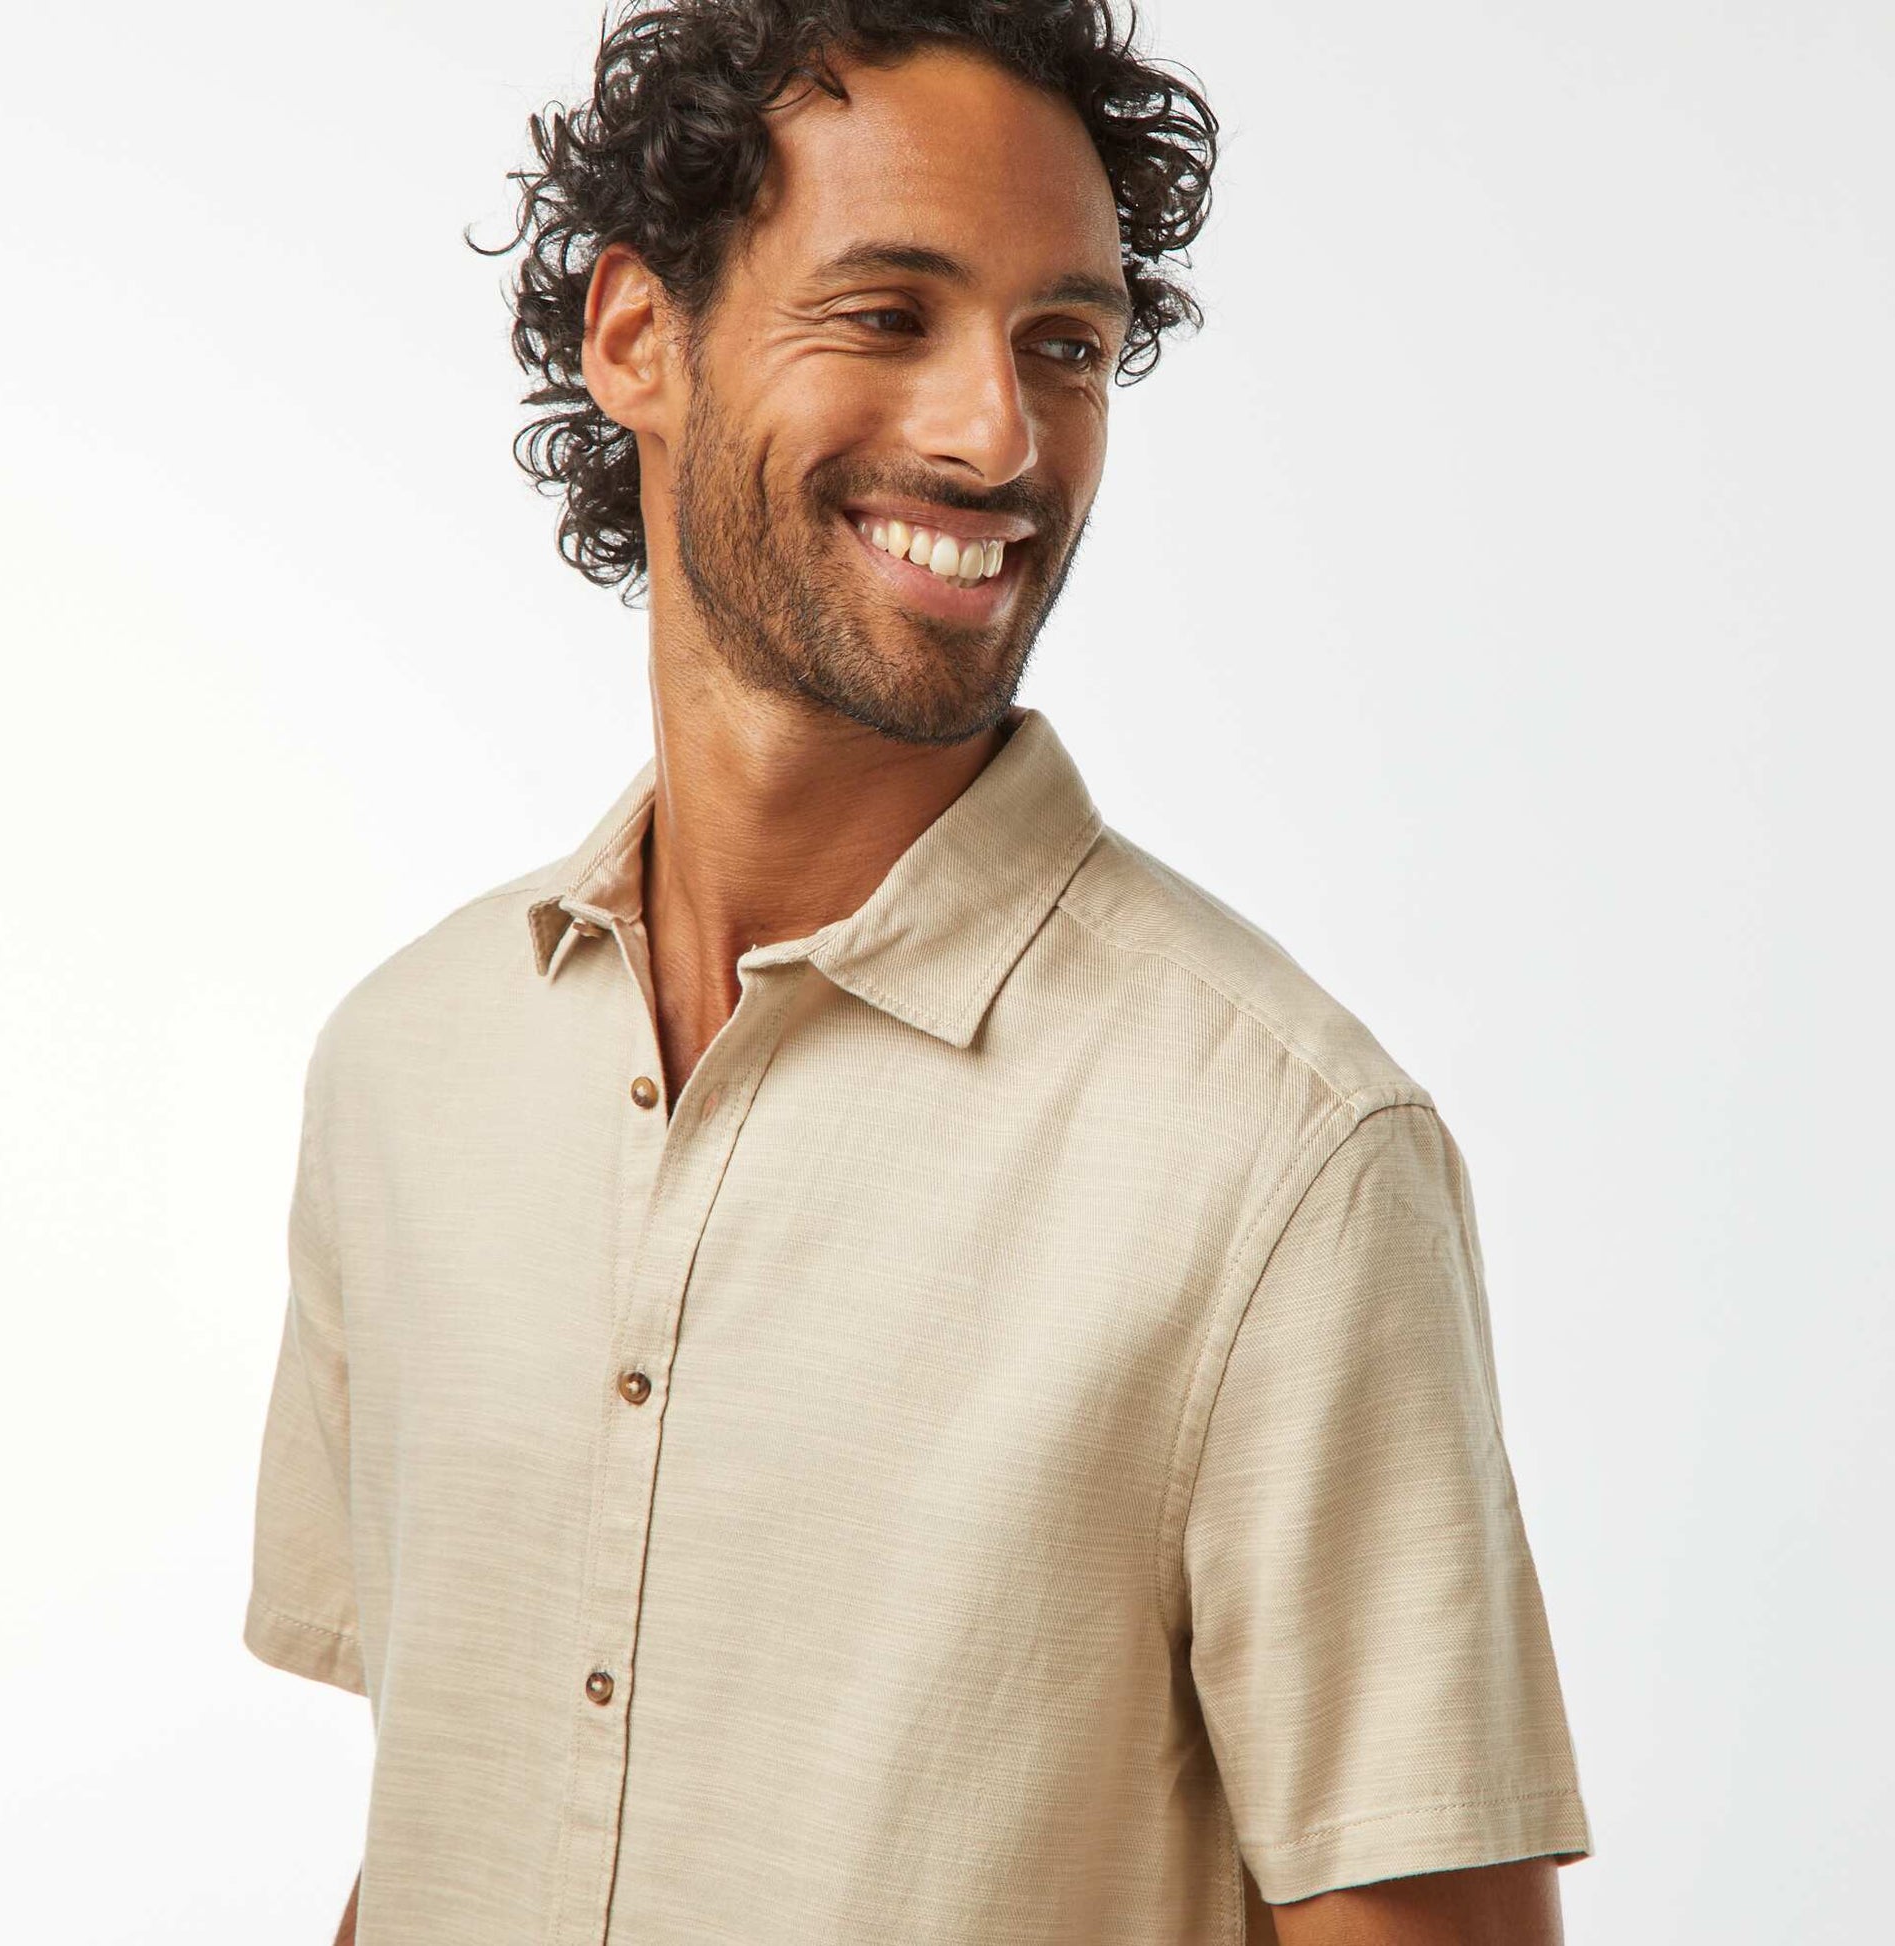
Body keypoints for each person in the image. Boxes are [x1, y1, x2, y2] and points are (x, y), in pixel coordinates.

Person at [244, 4, 1594, 1942]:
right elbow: (446, 1815)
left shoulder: (1278, 1155)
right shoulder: (409, 1066)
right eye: (887, 315)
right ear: (636, 338)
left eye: (1067, 347)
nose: (998, 436)